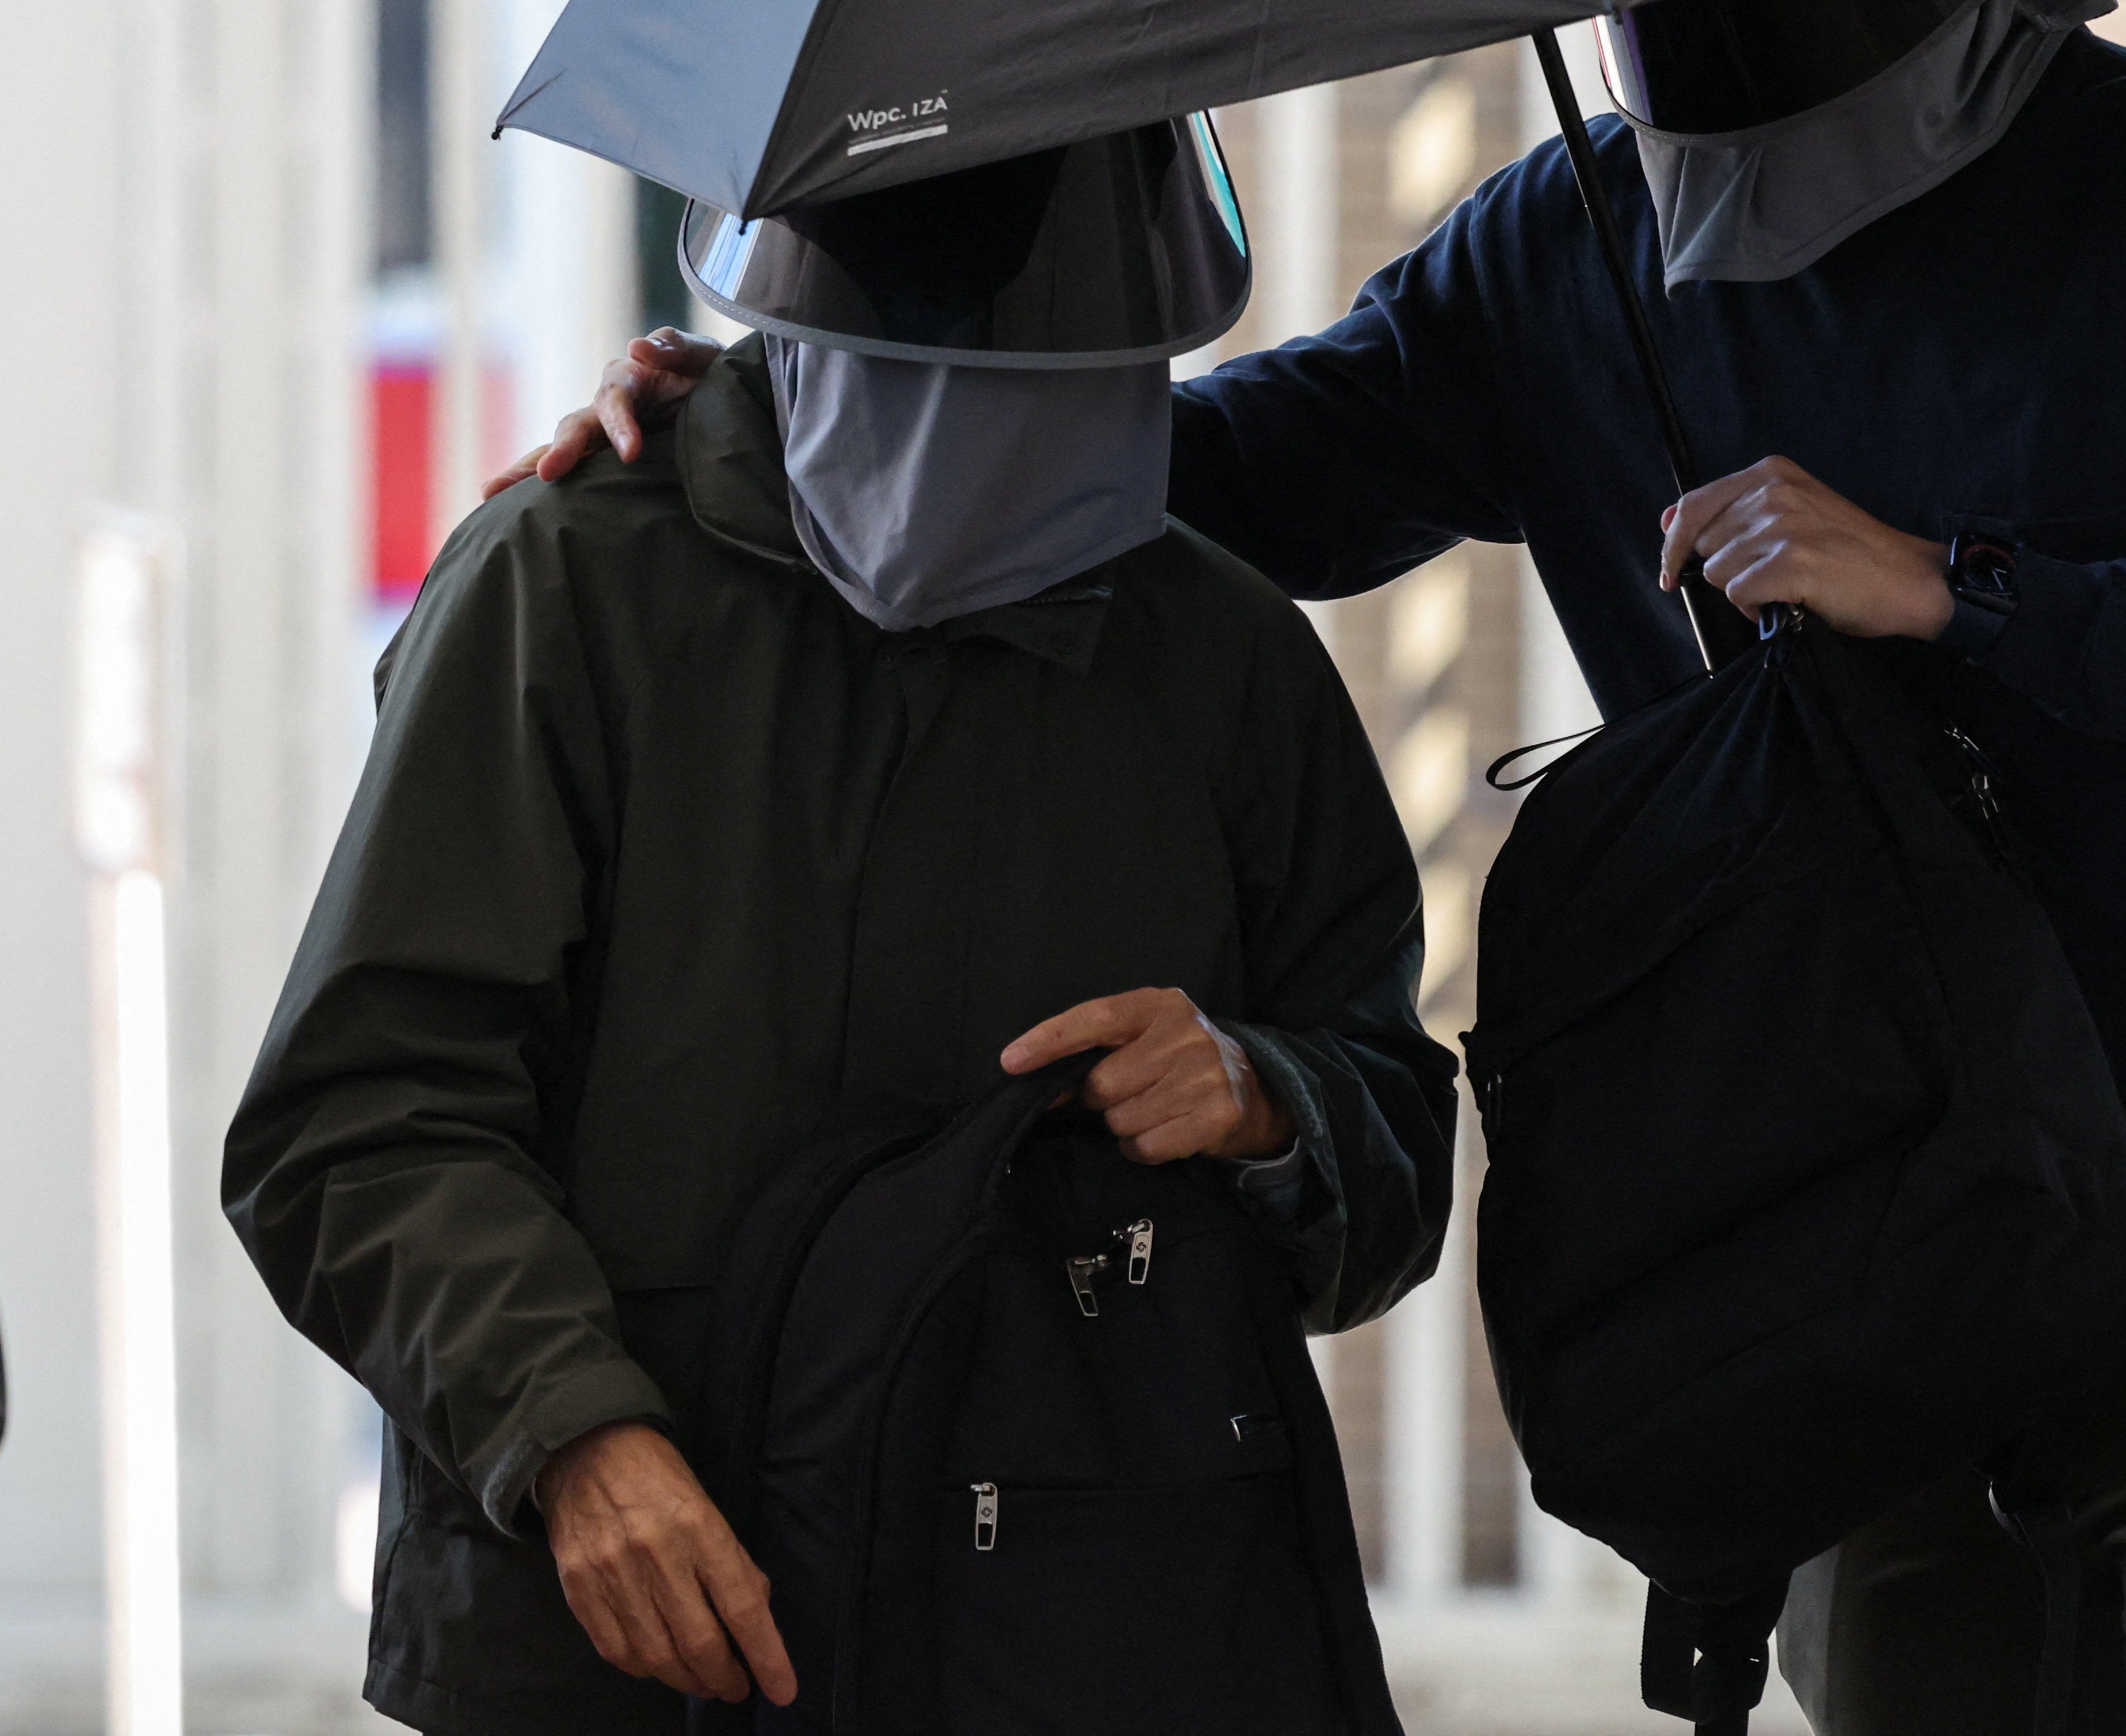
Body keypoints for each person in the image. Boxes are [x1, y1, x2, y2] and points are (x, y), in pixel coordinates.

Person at [504, 0, 2126, 1736]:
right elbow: (1210, 480)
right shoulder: (1568, 248)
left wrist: (1955, 585)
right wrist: (782, 414)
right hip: (1878, 1263)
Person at [227, 118, 1456, 1736]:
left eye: (1064, 399)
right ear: (800, 335)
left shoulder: (1219, 655)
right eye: (935, 384)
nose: (998, 450)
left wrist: (1267, 1097)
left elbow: (1394, 1138)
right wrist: (574, 1435)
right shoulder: (566, 586)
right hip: (620, 1649)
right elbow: (356, 1119)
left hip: (1066, 1636)